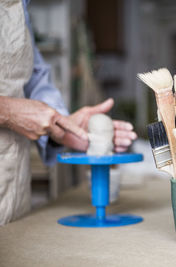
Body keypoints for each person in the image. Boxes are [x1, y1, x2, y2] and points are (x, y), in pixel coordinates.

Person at [0, 0, 137, 225]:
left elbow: (33, 76)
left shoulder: (19, 4)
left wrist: (62, 127)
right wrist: (6, 111)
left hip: (13, 185)